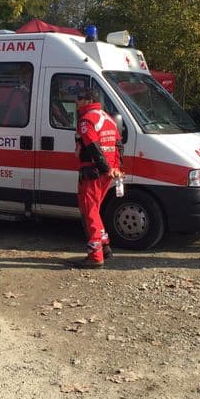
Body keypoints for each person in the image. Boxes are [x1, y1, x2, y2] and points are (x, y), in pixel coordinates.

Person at [69, 86, 123, 269]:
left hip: (92, 172)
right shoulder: (108, 118)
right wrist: (114, 168)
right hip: (106, 173)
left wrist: (105, 168)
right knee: (95, 211)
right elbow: (118, 145)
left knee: (89, 212)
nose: (76, 101)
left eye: (79, 97)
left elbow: (92, 146)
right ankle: (105, 247)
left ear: (89, 100)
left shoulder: (86, 120)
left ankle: (95, 256)